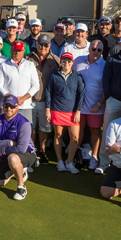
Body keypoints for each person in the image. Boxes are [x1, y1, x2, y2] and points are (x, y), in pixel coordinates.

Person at [0, 41, 40, 166]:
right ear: (11, 51)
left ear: (23, 52)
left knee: (25, 134)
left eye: (20, 51)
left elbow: (35, 85)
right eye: (15, 50)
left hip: (25, 105)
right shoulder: (3, 65)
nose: (17, 53)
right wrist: (11, 99)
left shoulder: (30, 65)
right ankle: (4, 159)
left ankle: (25, 161)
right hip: (8, 107)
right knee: (5, 134)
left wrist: (23, 98)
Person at [0, 95, 37, 201]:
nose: (9, 109)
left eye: (12, 106)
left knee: (13, 158)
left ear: (17, 107)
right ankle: (18, 170)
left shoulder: (24, 123)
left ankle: (21, 187)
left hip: (27, 153)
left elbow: (21, 149)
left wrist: (2, 149)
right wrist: (9, 143)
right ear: (3, 106)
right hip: (8, 152)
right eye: (6, 106)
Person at [45, 52, 85, 174]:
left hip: (73, 113)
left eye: (69, 61)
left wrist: (78, 111)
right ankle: (59, 162)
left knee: (74, 138)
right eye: (64, 61)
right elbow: (48, 92)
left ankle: (69, 162)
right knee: (58, 136)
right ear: (61, 62)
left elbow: (81, 95)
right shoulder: (54, 75)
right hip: (57, 110)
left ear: (72, 63)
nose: (66, 63)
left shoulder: (77, 76)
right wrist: (48, 109)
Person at [25, 34, 60, 164]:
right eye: (41, 45)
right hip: (30, 99)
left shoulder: (55, 60)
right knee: (31, 127)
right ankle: (31, 150)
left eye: (46, 45)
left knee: (45, 128)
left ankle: (42, 151)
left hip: (47, 101)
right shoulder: (28, 58)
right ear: (37, 45)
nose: (43, 47)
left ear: (49, 46)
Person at [73, 40, 105, 170]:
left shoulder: (105, 65)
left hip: (96, 106)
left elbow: (106, 88)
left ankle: (94, 157)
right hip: (79, 106)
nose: (96, 52)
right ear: (89, 49)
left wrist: (99, 104)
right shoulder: (78, 61)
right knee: (77, 131)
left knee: (95, 131)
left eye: (99, 50)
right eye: (93, 49)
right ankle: (75, 155)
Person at [96, 40, 121, 174]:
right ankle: (104, 163)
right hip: (114, 100)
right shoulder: (112, 59)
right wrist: (109, 97)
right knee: (107, 130)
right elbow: (106, 79)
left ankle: (118, 162)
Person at [99, 118, 121, 199]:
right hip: (118, 165)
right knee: (106, 193)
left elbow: (115, 150)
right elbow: (110, 150)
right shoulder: (114, 124)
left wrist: (119, 149)